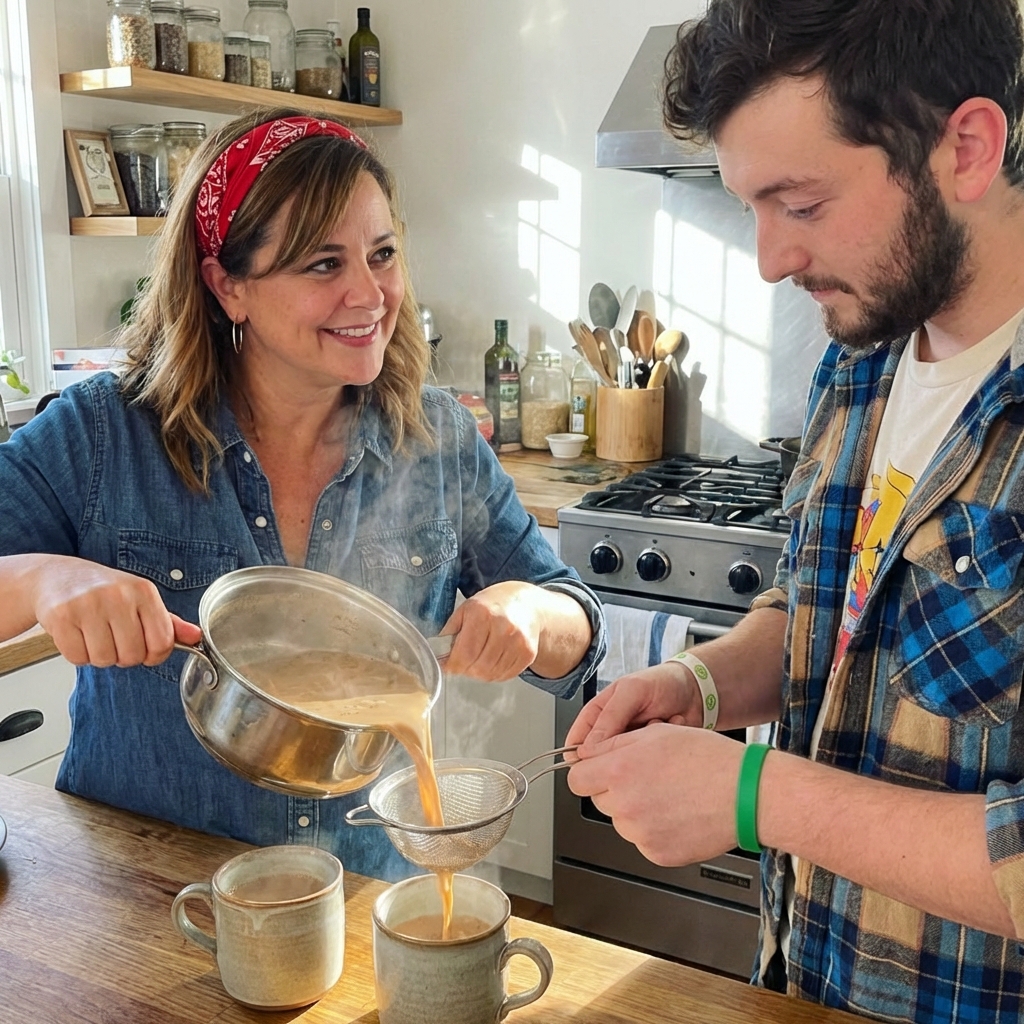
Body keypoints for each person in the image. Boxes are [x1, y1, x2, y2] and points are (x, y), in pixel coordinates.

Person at [566, 1, 1024, 1021]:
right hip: (811, 978)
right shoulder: (863, 356)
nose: (769, 259)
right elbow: (828, 606)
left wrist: (749, 794)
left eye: (801, 204)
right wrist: (699, 680)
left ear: (967, 147)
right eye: (749, 208)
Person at [0, 109, 605, 880]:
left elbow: (575, 624)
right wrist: (48, 579)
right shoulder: (103, 436)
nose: (370, 294)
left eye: (381, 254)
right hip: (143, 909)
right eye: (323, 264)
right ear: (228, 286)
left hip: (359, 906)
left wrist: (529, 610)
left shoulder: (438, 441)